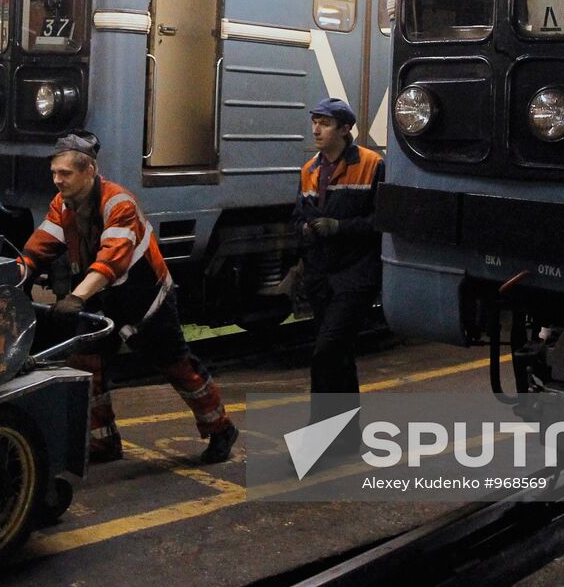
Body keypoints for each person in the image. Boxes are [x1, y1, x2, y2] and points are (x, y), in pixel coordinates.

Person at [19, 132, 239, 464]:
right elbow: (39, 247)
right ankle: (103, 442)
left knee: (176, 366)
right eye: (54, 173)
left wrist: (76, 298)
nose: (57, 180)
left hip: (146, 299)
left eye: (65, 173)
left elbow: (112, 260)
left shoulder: (118, 203)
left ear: (89, 171)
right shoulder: (62, 205)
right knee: (86, 365)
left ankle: (220, 428)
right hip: (103, 297)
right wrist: (19, 272)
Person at [293, 98, 384, 415]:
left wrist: (340, 227)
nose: (316, 129)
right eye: (314, 121)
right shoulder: (310, 170)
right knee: (340, 356)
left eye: (325, 123)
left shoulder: (372, 165)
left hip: (355, 276)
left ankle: (321, 431)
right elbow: (297, 216)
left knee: (326, 352)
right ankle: (346, 433)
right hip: (321, 278)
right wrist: (304, 230)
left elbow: (383, 221)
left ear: (345, 129)